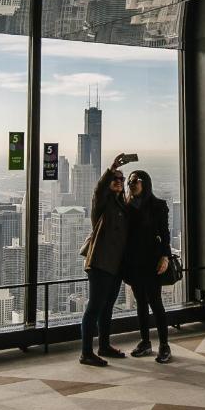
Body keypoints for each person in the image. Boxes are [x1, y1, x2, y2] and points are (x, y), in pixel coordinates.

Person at [78, 153, 135, 366]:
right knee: (94, 306)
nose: (119, 182)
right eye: (115, 179)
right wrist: (111, 168)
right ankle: (86, 352)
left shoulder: (123, 206)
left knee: (108, 306)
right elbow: (98, 190)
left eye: (122, 179)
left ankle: (103, 345)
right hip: (100, 263)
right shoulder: (103, 205)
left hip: (115, 266)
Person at [124, 169, 174, 363]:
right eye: (130, 182)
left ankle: (164, 345)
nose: (132, 184)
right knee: (140, 302)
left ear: (145, 183)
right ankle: (145, 341)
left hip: (152, 262)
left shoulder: (158, 206)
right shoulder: (126, 207)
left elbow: (165, 234)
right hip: (133, 263)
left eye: (136, 181)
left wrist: (165, 257)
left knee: (155, 302)